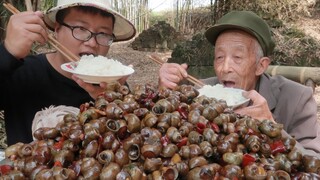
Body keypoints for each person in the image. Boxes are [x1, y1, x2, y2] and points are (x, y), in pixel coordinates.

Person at [159, 11, 320, 154]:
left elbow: (314, 162)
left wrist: (273, 130)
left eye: (237, 57)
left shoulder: (297, 98)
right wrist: (163, 93)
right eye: (220, 57)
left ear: (260, 65)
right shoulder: (201, 91)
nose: (224, 68)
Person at [0, 0, 136, 145]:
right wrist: (7, 53)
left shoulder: (113, 83)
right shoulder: (21, 71)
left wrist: (106, 103)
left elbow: (127, 142)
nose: (92, 43)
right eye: (80, 29)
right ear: (57, 30)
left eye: (103, 34)